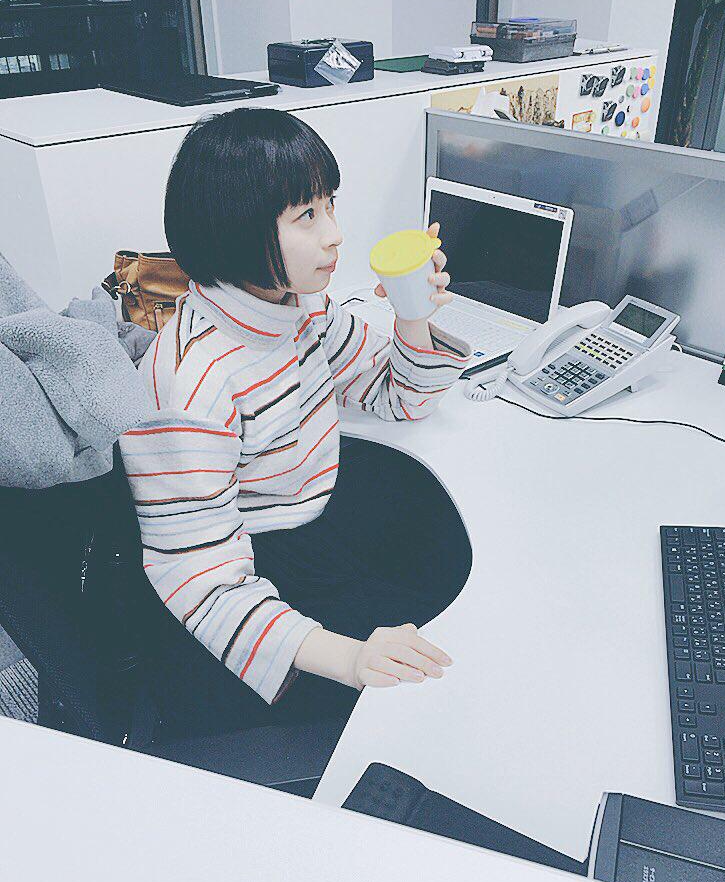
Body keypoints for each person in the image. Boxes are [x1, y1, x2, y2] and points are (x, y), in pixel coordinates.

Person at [119, 108, 473, 730]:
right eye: (307, 216)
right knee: (426, 693)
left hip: (313, 528)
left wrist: (413, 315)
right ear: (237, 227)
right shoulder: (190, 382)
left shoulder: (299, 306)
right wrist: (351, 659)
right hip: (253, 582)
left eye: (330, 205)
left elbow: (398, 397)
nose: (335, 235)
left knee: (451, 601)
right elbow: (199, 580)